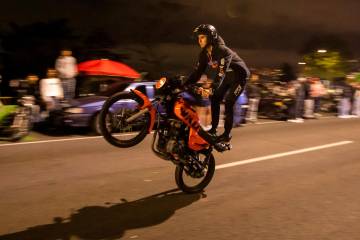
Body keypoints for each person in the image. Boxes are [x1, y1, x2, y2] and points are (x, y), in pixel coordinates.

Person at [184, 24, 250, 142]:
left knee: (229, 101)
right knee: (214, 99)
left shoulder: (222, 50)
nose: (199, 40)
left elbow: (221, 73)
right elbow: (197, 73)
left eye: (202, 37)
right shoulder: (204, 54)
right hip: (228, 76)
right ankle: (213, 130)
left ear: (210, 37)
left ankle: (227, 134)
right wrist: (184, 84)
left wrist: (212, 88)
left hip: (240, 76)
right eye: (198, 38)